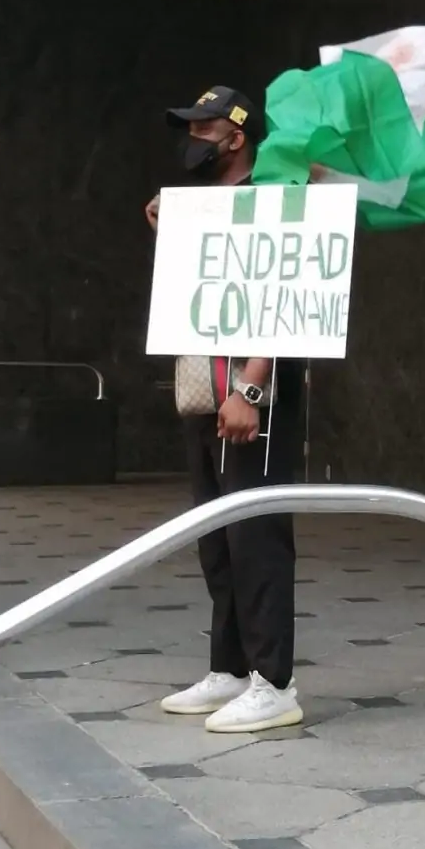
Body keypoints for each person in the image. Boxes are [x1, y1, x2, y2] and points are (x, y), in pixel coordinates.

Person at [146, 86, 304, 734]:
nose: (192, 142)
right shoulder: (204, 206)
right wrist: (170, 232)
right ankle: (231, 667)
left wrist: (252, 387)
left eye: (203, 131)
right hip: (204, 386)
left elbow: (287, 293)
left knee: (255, 535)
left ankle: (275, 682)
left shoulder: (272, 199)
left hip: (249, 393)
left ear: (236, 138)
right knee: (217, 537)